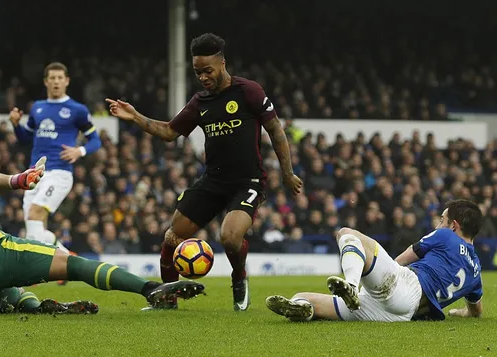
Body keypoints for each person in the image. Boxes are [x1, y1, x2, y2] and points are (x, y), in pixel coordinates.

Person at [0, 125, 204, 314]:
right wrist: (19, 179)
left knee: (13, 295)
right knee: (72, 263)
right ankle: (152, 290)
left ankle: (41, 308)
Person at [106, 33, 303, 311]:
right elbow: (169, 132)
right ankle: (167, 300)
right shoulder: (200, 102)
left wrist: (287, 173)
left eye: (207, 70)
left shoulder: (249, 91)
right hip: (213, 181)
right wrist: (135, 116)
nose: (203, 77)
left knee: (230, 237)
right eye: (198, 72)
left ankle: (239, 278)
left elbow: (276, 130)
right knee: (172, 238)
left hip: (248, 181)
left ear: (222, 63)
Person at [266, 199, 483, 322]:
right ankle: (305, 309)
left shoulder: (446, 236)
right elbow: (476, 311)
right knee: (303, 297)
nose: (438, 224)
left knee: (346, 233)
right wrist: (460, 311)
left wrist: (378, 274)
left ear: (453, 225)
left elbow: (403, 259)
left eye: (442, 220)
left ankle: (351, 285)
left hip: (405, 287)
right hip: (405, 315)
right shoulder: (476, 273)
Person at [10, 62, 102, 253]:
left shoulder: (77, 110)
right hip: (34, 173)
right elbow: (26, 138)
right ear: (46, 82)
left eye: (60, 78)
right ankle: (66, 258)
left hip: (59, 172)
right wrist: (17, 125)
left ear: (67, 81)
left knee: (35, 214)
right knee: (34, 228)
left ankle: (37, 270)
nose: (56, 82)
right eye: (52, 78)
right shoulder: (37, 107)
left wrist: (80, 151)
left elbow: (95, 140)